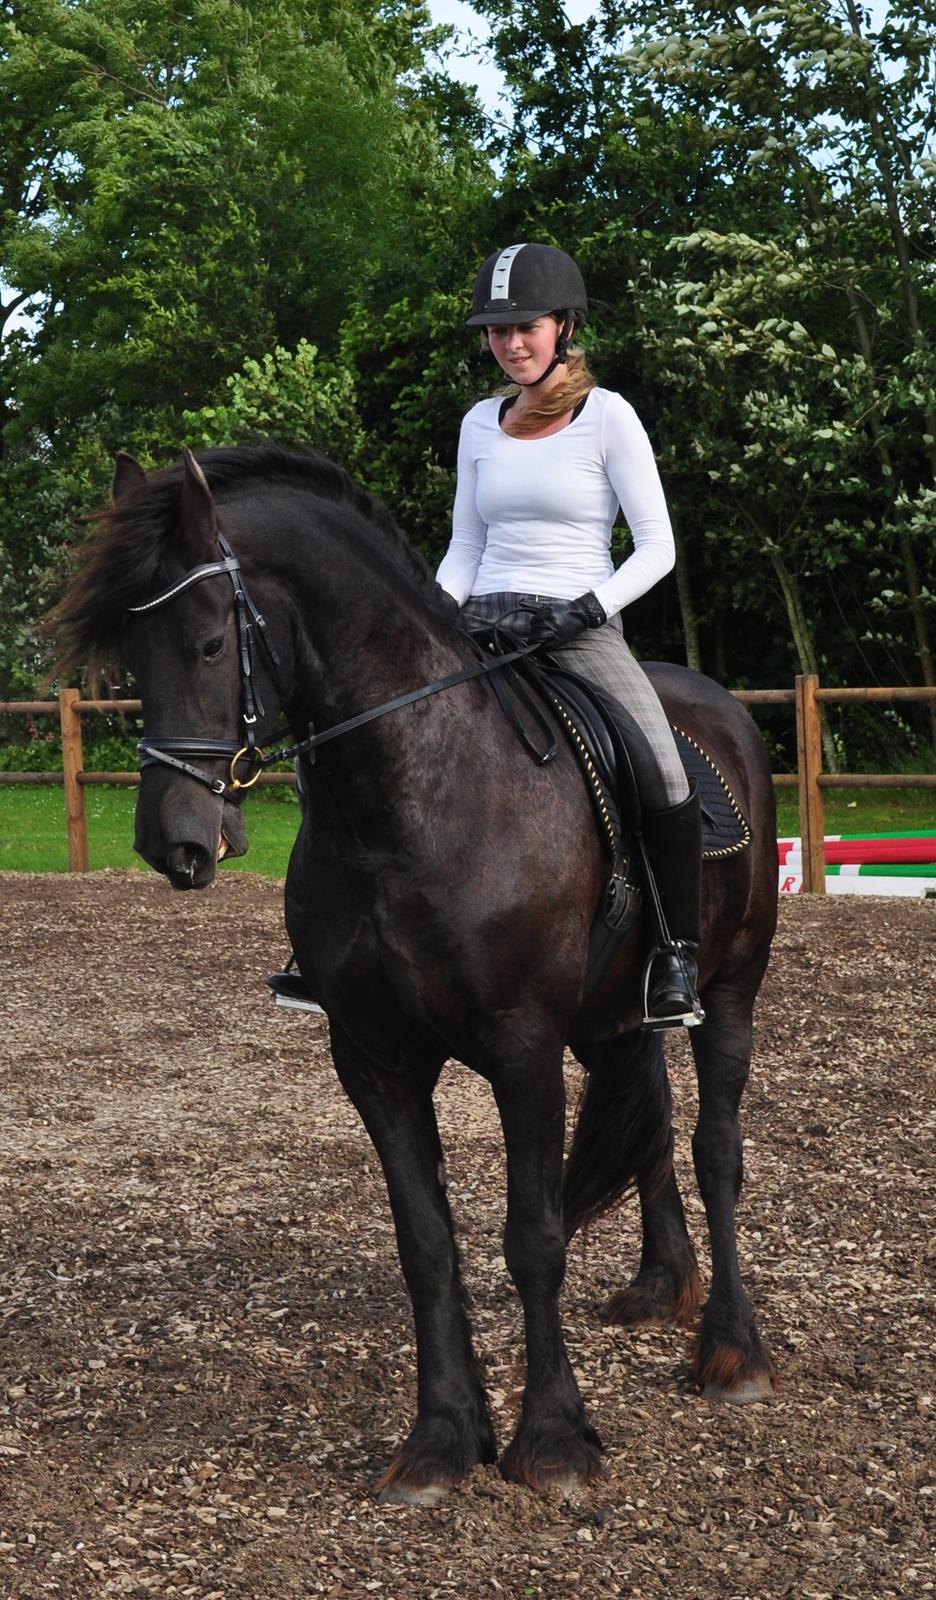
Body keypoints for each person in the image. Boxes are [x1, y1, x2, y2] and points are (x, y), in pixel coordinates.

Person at [435, 242, 703, 1028]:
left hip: (577, 626)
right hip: (484, 623)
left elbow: (658, 546)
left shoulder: (608, 416)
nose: (511, 343)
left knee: (662, 768)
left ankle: (675, 956)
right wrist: (433, 615)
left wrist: (587, 608)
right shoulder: (479, 423)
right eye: (497, 331)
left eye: (526, 327)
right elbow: (465, 546)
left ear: (565, 325)